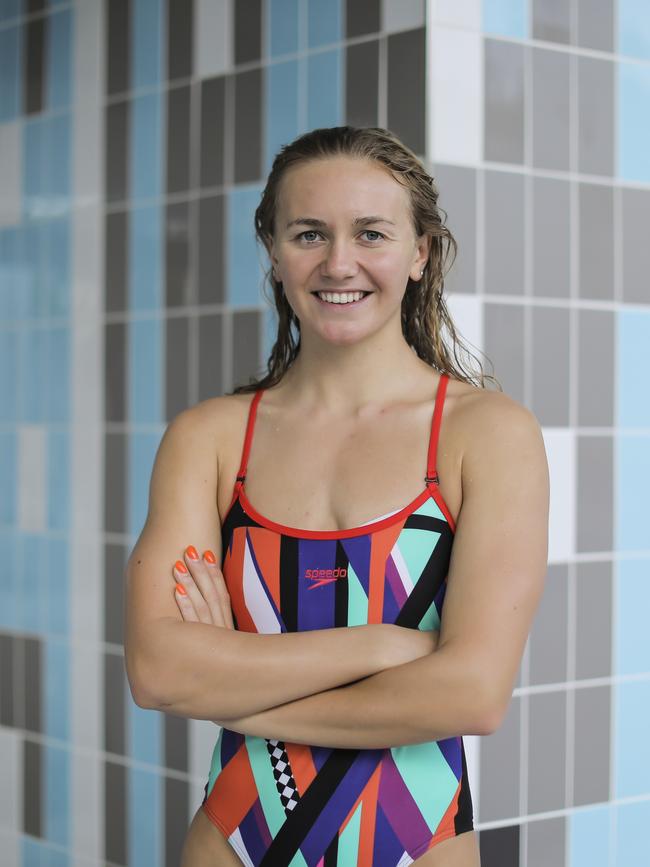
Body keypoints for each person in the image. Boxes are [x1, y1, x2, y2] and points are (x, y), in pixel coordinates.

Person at [124, 126, 549, 867]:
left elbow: (473, 692)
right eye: (309, 233)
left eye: (372, 233)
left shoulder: (486, 434)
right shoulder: (212, 438)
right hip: (233, 838)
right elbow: (158, 669)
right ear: (274, 249)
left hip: (419, 840)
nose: (338, 262)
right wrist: (382, 646)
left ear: (420, 253)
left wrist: (230, 684)